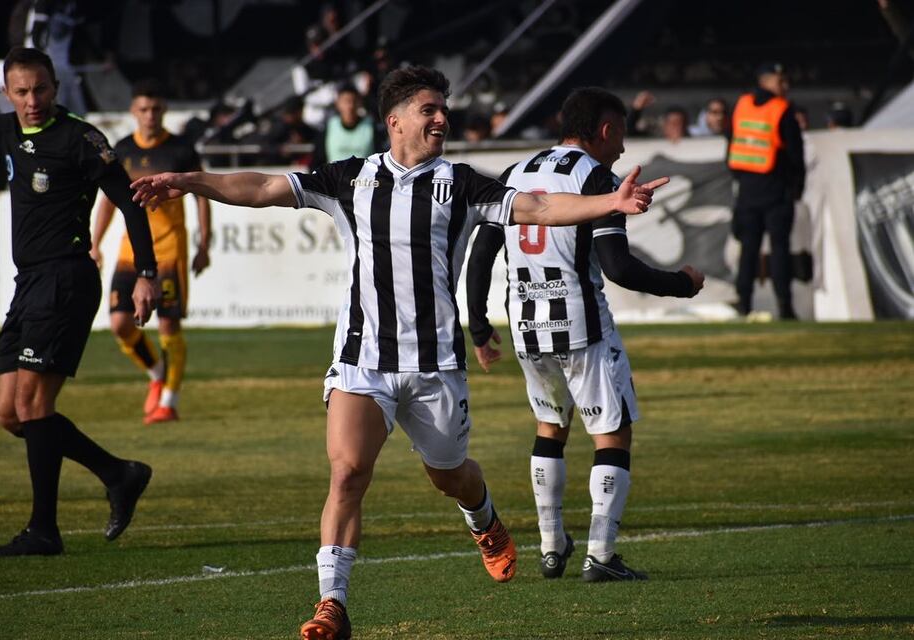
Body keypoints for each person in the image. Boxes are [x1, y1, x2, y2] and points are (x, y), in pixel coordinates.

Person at [131, 66, 668, 640]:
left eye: (443, 109)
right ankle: (331, 604)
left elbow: (537, 208)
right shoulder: (350, 180)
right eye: (429, 110)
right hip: (363, 359)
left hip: (435, 367)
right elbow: (263, 188)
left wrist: (610, 201)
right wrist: (191, 180)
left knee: (451, 477)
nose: (442, 118)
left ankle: (483, 517)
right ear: (395, 121)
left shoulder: (461, 184)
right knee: (347, 473)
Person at [466, 86, 704, 584]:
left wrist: (481, 326)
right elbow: (618, 268)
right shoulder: (599, 179)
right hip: (581, 325)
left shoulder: (516, 173)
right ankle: (601, 554)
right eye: (620, 134)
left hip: (528, 326)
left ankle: (552, 548)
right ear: (605, 130)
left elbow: (481, 251)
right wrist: (681, 285)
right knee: (612, 433)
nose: (621, 147)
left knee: (550, 427)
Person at [0, 47, 157, 556]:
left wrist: (146, 274)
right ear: (8, 93)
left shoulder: (80, 139)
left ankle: (43, 530)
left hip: (67, 280)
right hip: (29, 283)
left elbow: (130, 203)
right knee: (11, 415)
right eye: (22, 92)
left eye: (41, 89)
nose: (32, 101)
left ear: (55, 86)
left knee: (35, 406)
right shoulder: (4, 130)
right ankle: (118, 473)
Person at [90, 79, 212, 425]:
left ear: (164, 110)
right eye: (143, 109)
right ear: (133, 111)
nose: (150, 115)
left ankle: (169, 402)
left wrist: (204, 244)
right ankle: (157, 373)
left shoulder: (181, 150)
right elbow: (109, 200)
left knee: (169, 326)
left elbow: (202, 195)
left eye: (156, 108)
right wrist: (95, 244)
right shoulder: (123, 150)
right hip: (132, 250)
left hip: (170, 250)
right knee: (119, 324)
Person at [727, 61, 805, 319]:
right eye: (780, 81)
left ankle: (744, 303)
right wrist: (797, 187)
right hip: (776, 192)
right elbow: (795, 155)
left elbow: (732, 147)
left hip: (747, 192)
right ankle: (785, 306)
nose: (786, 86)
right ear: (765, 81)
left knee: (748, 250)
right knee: (779, 249)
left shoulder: (741, 105)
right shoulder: (782, 109)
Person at [312, 83, 380, 166]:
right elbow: (317, 160)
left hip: (365, 178)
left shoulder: (371, 127)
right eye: (346, 101)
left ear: (360, 103)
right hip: (334, 177)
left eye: (354, 101)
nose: (350, 106)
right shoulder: (328, 128)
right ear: (338, 104)